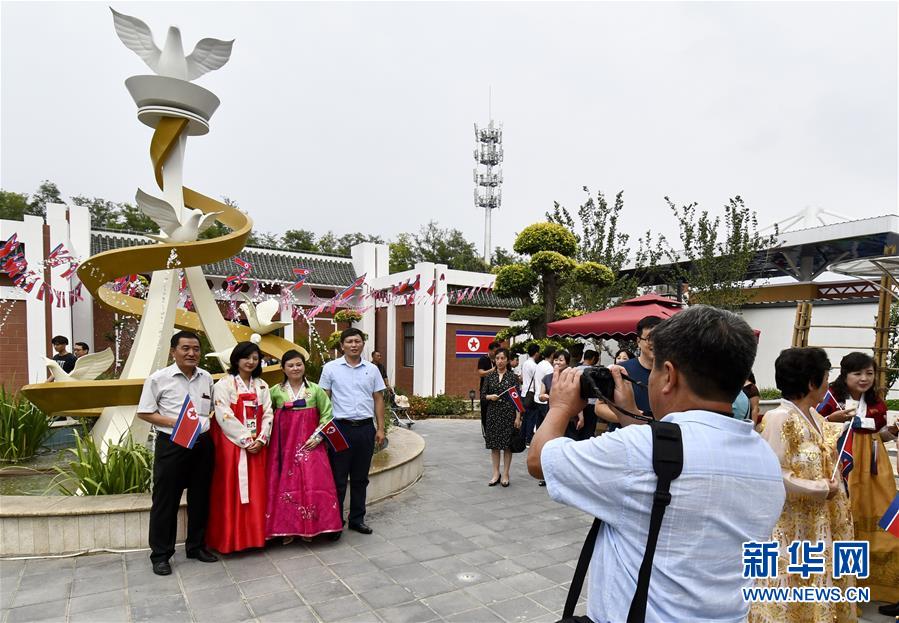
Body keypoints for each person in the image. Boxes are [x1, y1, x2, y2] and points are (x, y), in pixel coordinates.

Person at [529, 305, 785, 623]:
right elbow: (670, 459)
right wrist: (629, 414)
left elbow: (540, 460)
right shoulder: (765, 459)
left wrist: (561, 406)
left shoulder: (637, 451)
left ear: (669, 375)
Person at [750, 348, 854, 623]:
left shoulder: (815, 417)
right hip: (791, 525)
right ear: (811, 382)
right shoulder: (779, 418)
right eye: (825, 377)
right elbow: (774, 473)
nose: (828, 384)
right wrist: (820, 487)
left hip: (818, 522)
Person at [816, 352, 899, 609]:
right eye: (858, 373)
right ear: (845, 375)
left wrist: (892, 431)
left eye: (869, 373)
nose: (864, 379)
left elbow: (879, 435)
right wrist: (832, 420)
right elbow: (813, 425)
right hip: (843, 464)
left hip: (875, 466)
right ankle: (845, 589)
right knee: (846, 518)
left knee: (885, 519)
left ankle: (881, 585)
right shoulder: (830, 398)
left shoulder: (876, 401)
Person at [137, 330, 217, 576]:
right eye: (185, 348)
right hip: (172, 443)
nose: (191, 353)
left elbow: (210, 409)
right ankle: (161, 555)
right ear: (173, 351)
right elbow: (145, 412)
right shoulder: (158, 378)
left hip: (202, 443)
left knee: (200, 497)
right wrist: (176, 423)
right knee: (165, 500)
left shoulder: (207, 378)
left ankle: (196, 546)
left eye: (196, 348)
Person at [266, 349, 342, 542]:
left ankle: (311, 526)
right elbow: (266, 415)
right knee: (285, 485)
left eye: (299, 364)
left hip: (311, 445)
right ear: (283, 368)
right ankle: (287, 529)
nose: (295, 368)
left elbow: (327, 414)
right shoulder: (275, 392)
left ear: (304, 366)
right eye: (290, 365)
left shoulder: (315, 390)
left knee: (312, 483)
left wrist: (318, 437)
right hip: (283, 447)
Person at [207, 341, 274, 554]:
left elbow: (269, 414)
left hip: (258, 446)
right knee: (230, 490)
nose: (251, 362)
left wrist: (262, 439)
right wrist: (246, 440)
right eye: (247, 357)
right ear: (236, 359)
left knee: (257, 490)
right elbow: (223, 415)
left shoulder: (262, 386)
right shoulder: (223, 385)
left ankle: (255, 537)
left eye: (255, 358)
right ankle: (231, 540)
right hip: (231, 446)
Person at [319, 328, 386, 538]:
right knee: (338, 478)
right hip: (340, 429)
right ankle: (335, 521)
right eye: (349, 341)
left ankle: (357, 519)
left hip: (365, 429)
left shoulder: (372, 369)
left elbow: (378, 399)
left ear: (362, 344)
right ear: (342, 345)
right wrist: (323, 431)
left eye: (357, 341)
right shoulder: (330, 368)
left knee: (360, 478)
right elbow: (323, 400)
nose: (354, 345)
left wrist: (381, 428)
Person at [595, 316, 662, 432]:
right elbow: (599, 407)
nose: (655, 343)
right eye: (649, 338)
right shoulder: (620, 370)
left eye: (660, 338)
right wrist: (630, 417)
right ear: (638, 341)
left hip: (660, 440)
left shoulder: (672, 372)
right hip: (623, 438)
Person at [482, 348, 522, 487]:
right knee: (494, 446)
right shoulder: (489, 377)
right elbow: (482, 395)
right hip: (493, 414)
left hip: (508, 414)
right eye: (497, 358)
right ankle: (495, 473)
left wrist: (518, 417)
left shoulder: (513, 377)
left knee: (507, 446)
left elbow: (517, 399)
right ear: (495, 360)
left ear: (507, 360)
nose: (500, 361)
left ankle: (505, 473)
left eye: (502, 358)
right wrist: (489, 397)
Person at [477, 341, 500, 438]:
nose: (496, 354)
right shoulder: (483, 359)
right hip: (485, 391)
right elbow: (481, 373)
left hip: (495, 390)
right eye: (495, 352)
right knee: (485, 412)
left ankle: (495, 431)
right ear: (490, 350)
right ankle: (487, 433)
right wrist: (493, 370)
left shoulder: (497, 360)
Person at [520, 344, 542, 445]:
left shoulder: (525, 363)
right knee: (532, 417)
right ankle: (529, 439)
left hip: (524, 392)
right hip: (531, 393)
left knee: (525, 417)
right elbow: (537, 380)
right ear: (536, 353)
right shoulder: (534, 366)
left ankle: (522, 436)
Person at [576, 350, 600, 440]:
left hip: (577, 404)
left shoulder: (574, 370)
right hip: (591, 404)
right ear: (593, 358)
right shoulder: (595, 371)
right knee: (589, 430)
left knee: (577, 430)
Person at [532, 345, 556, 431]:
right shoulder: (549, 368)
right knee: (546, 427)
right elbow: (549, 386)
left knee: (539, 425)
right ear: (552, 354)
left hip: (537, 398)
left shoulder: (539, 364)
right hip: (544, 400)